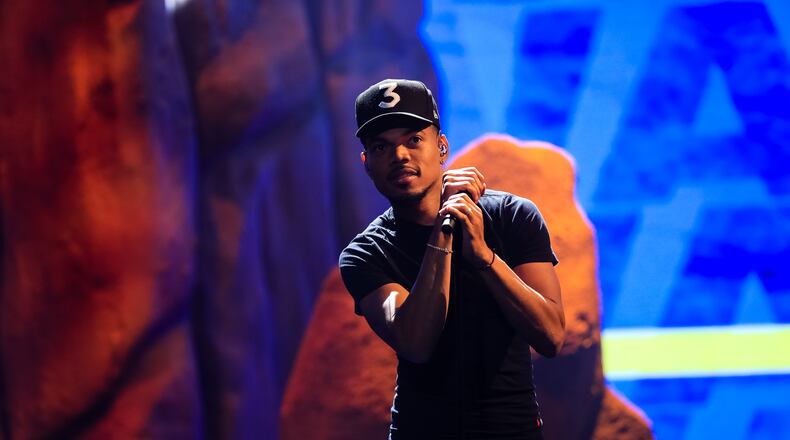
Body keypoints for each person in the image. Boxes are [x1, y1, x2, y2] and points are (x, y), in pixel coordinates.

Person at [339, 79, 565, 440]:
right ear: (367, 163)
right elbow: (415, 341)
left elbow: (551, 336)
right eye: (382, 147)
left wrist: (484, 258)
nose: (400, 157)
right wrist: (444, 228)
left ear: (441, 147)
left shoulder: (512, 216)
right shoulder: (365, 254)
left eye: (413, 140)